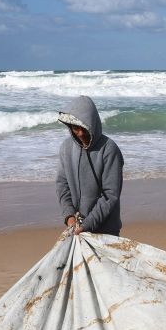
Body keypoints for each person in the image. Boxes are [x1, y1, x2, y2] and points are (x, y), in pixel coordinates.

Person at [56, 95, 124, 236]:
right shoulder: (66, 148)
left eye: (84, 128)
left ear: (93, 124)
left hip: (106, 230)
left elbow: (110, 195)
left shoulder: (109, 149)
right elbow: (62, 185)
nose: (80, 133)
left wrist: (88, 224)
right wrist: (69, 216)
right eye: (75, 128)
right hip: (77, 228)